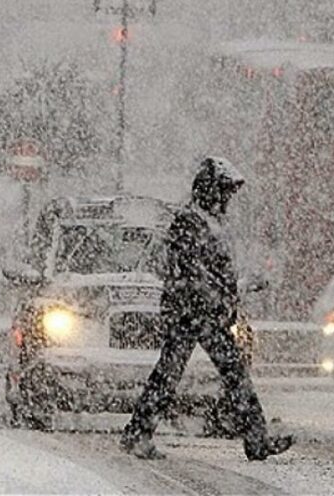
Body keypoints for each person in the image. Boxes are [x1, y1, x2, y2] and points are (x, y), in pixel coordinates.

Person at [120, 157, 292, 461]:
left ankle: (139, 432)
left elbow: (208, 274)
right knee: (226, 373)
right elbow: (193, 272)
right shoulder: (191, 221)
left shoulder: (206, 222)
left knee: (179, 373)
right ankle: (254, 438)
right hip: (195, 312)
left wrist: (236, 288)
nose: (228, 199)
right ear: (212, 191)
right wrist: (216, 298)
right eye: (225, 192)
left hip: (200, 311)